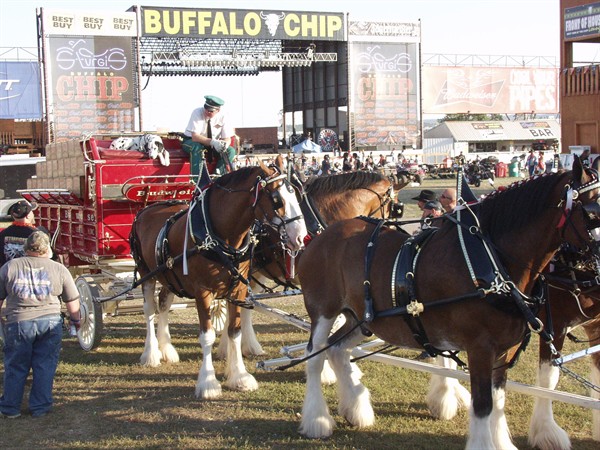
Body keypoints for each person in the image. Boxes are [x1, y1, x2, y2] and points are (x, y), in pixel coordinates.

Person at [0, 231, 81, 418]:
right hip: (50, 322)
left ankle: (10, 408)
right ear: (47, 250)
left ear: (26, 248)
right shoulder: (59, 269)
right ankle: (40, 407)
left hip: (18, 322)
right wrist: (76, 321)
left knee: (16, 365)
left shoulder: (9, 267)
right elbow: (72, 301)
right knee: (45, 365)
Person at [182, 95, 237, 178]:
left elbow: (227, 138)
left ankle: (218, 177)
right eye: (206, 108)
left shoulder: (224, 116)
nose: (207, 112)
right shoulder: (197, 112)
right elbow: (195, 136)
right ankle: (197, 179)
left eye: (210, 111)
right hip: (191, 141)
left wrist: (224, 145)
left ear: (218, 110)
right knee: (197, 147)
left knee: (231, 151)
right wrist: (213, 142)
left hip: (213, 143)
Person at [0, 200, 46, 266]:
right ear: (28, 216)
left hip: (8, 273)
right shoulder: (37, 235)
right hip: (30, 274)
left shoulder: (3, 234)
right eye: (32, 212)